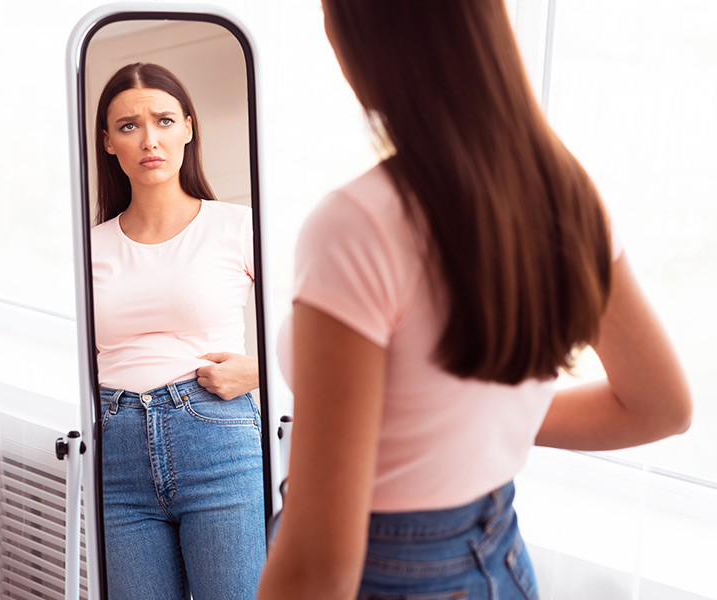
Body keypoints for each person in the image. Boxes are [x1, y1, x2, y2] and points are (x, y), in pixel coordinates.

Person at [257, 2, 692, 599]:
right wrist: (481, 419)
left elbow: (322, 565)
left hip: (390, 574)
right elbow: (660, 405)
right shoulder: (564, 190)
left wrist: (475, 420)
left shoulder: (356, 225)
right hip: (500, 561)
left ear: (357, 36)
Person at [90, 62, 265, 600]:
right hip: (115, 452)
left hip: (217, 441)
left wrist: (258, 373)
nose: (149, 140)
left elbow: (322, 332)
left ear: (188, 127)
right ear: (108, 143)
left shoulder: (237, 227)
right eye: (128, 126)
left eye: (164, 120)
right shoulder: (87, 247)